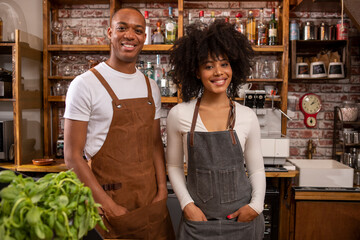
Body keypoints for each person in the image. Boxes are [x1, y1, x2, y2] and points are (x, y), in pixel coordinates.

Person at [64, 7, 175, 239]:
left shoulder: (150, 86)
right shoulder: (85, 85)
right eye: (122, 28)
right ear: (109, 33)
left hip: (150, 200)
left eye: (138, 30)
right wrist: (107, 204)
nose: (130, 35)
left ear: (144, 37)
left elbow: (155, 144)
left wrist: (162, 191)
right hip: (107, 202)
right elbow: (72, 155)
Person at [166, 20, 266, 239]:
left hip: (242, 222)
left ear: (234, 67)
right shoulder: (179, 115)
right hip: (198, 222)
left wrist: (256, 207)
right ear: (196, 71)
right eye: (209, 66)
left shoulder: (247, 116)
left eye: (224, 64)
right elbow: (173, 166)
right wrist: (187, 205)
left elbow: (257, 169)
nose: (218, 72)